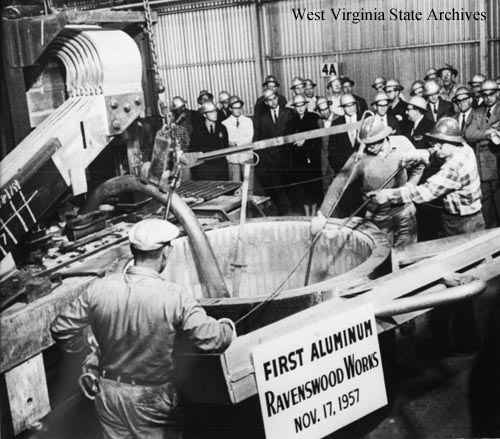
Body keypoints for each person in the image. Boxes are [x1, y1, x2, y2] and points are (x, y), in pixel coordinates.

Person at [51, 218, 235, 439]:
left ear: (132, 250)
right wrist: (228, 327)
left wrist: (86, 355)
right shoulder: (174, 296)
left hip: (109, 394)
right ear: (166, 252)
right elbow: (211, 339)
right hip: (151, 397)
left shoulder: (98, 288)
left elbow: (61, 328)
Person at [373, 117, 484, 355]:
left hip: (462, 226)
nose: (434, 148)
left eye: (436, 144)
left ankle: (467, 342)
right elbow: (437, 155)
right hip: (461, 221)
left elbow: (424, 192)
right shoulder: (463, 150)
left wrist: (389, 196)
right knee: (452, 282)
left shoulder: (454, 167)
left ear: (448, 143)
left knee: (459, 286)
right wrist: (419, 155)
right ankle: (446, 337)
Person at [310, 116, 423, 247]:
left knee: (408, 255)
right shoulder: (359, 157)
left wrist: (410, 185)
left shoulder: (402, 143)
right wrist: (322, 215)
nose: (370, 147)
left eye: (374, 142)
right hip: (378, 217)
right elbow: (338, 184)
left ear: (384, 136)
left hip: (405, 212)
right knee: (384, 260)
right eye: (367, 143)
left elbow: (419, 166)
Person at [464, 79, 500, 228]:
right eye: (484, 94)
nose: (488, 97)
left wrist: (482, 138)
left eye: (491, 94)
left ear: (497, 93)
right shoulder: (478, 111)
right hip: (483, 169)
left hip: (498, 167)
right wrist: (487, 134)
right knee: (486, 211)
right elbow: (469, 133)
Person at [253, 88, 294, 214]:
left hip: (288, 157)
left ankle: (293, 207)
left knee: (290, 183)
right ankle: (284, 209)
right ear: (266, 102)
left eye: (274, 98)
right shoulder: (262, 118)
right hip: (271, 158)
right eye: (269, 100)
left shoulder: (289, 113)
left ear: (278, 98)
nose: (273, 102)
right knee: (277, 185)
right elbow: (259, 138)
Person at [286, 94, 322, 215]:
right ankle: (307, 215)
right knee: (303, 189)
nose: (300, 108)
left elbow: (318, 139)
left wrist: (305, 141)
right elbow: (287, 144)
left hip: (313, 160)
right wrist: (296, 145)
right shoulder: (290, 123)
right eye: (297, 106)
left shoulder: (314, 118)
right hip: (299, 161)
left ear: (306, 105)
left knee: (314, 188)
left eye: (302, 105)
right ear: (294, 107)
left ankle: (313, 213)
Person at [189, 101, 229, 181]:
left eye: (215, 111)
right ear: (204, 115)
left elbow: (225, 146)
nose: (215, 114)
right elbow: (193, 150)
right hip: (205, 169)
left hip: (221, 168)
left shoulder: (222, 128)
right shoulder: (197, 130)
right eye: (211, 112)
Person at [222, 95, 255, 193]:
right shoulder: (225, 123)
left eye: (239, 108)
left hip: (247, 157)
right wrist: (234, 142)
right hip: (233, 160)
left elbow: (249, 139)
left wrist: (234, 143)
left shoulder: (248, 121)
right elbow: (226, 141)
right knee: (235, 187)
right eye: (235, 108)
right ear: (230, 109)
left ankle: (250, 207)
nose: (238, 110)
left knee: (249, 187)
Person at [316, 96, 337, 191]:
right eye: (322, 110)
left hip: (336, 157)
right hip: (324, 157)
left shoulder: (339, 119)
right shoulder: (319, 122)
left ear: (329, 107)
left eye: (326, 109)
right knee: (325, 183)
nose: (325, 112)